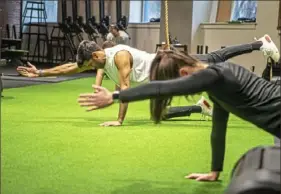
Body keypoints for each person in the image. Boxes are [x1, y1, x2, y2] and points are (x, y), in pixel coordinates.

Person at [77, 35, 280, 182]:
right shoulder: (217, 89)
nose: (179, 90)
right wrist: (214, 171)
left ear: (183, 73)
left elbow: (158, 88)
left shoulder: (216, 76)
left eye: (176, 81)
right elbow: (218, 130)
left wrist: (115, 96)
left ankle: (260, 43)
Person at [17, 35, 279, 126]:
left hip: (167, 67)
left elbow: (125, 87)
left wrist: (119, 120)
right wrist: (40, 73)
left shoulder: (118, 56)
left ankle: (260, 44)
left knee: (215, 58)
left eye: (89, 64)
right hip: (159, 75)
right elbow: (69, 68)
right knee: (161, 114)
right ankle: (201, 107)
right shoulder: (98, 58)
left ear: (96, 54)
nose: (86, 68)